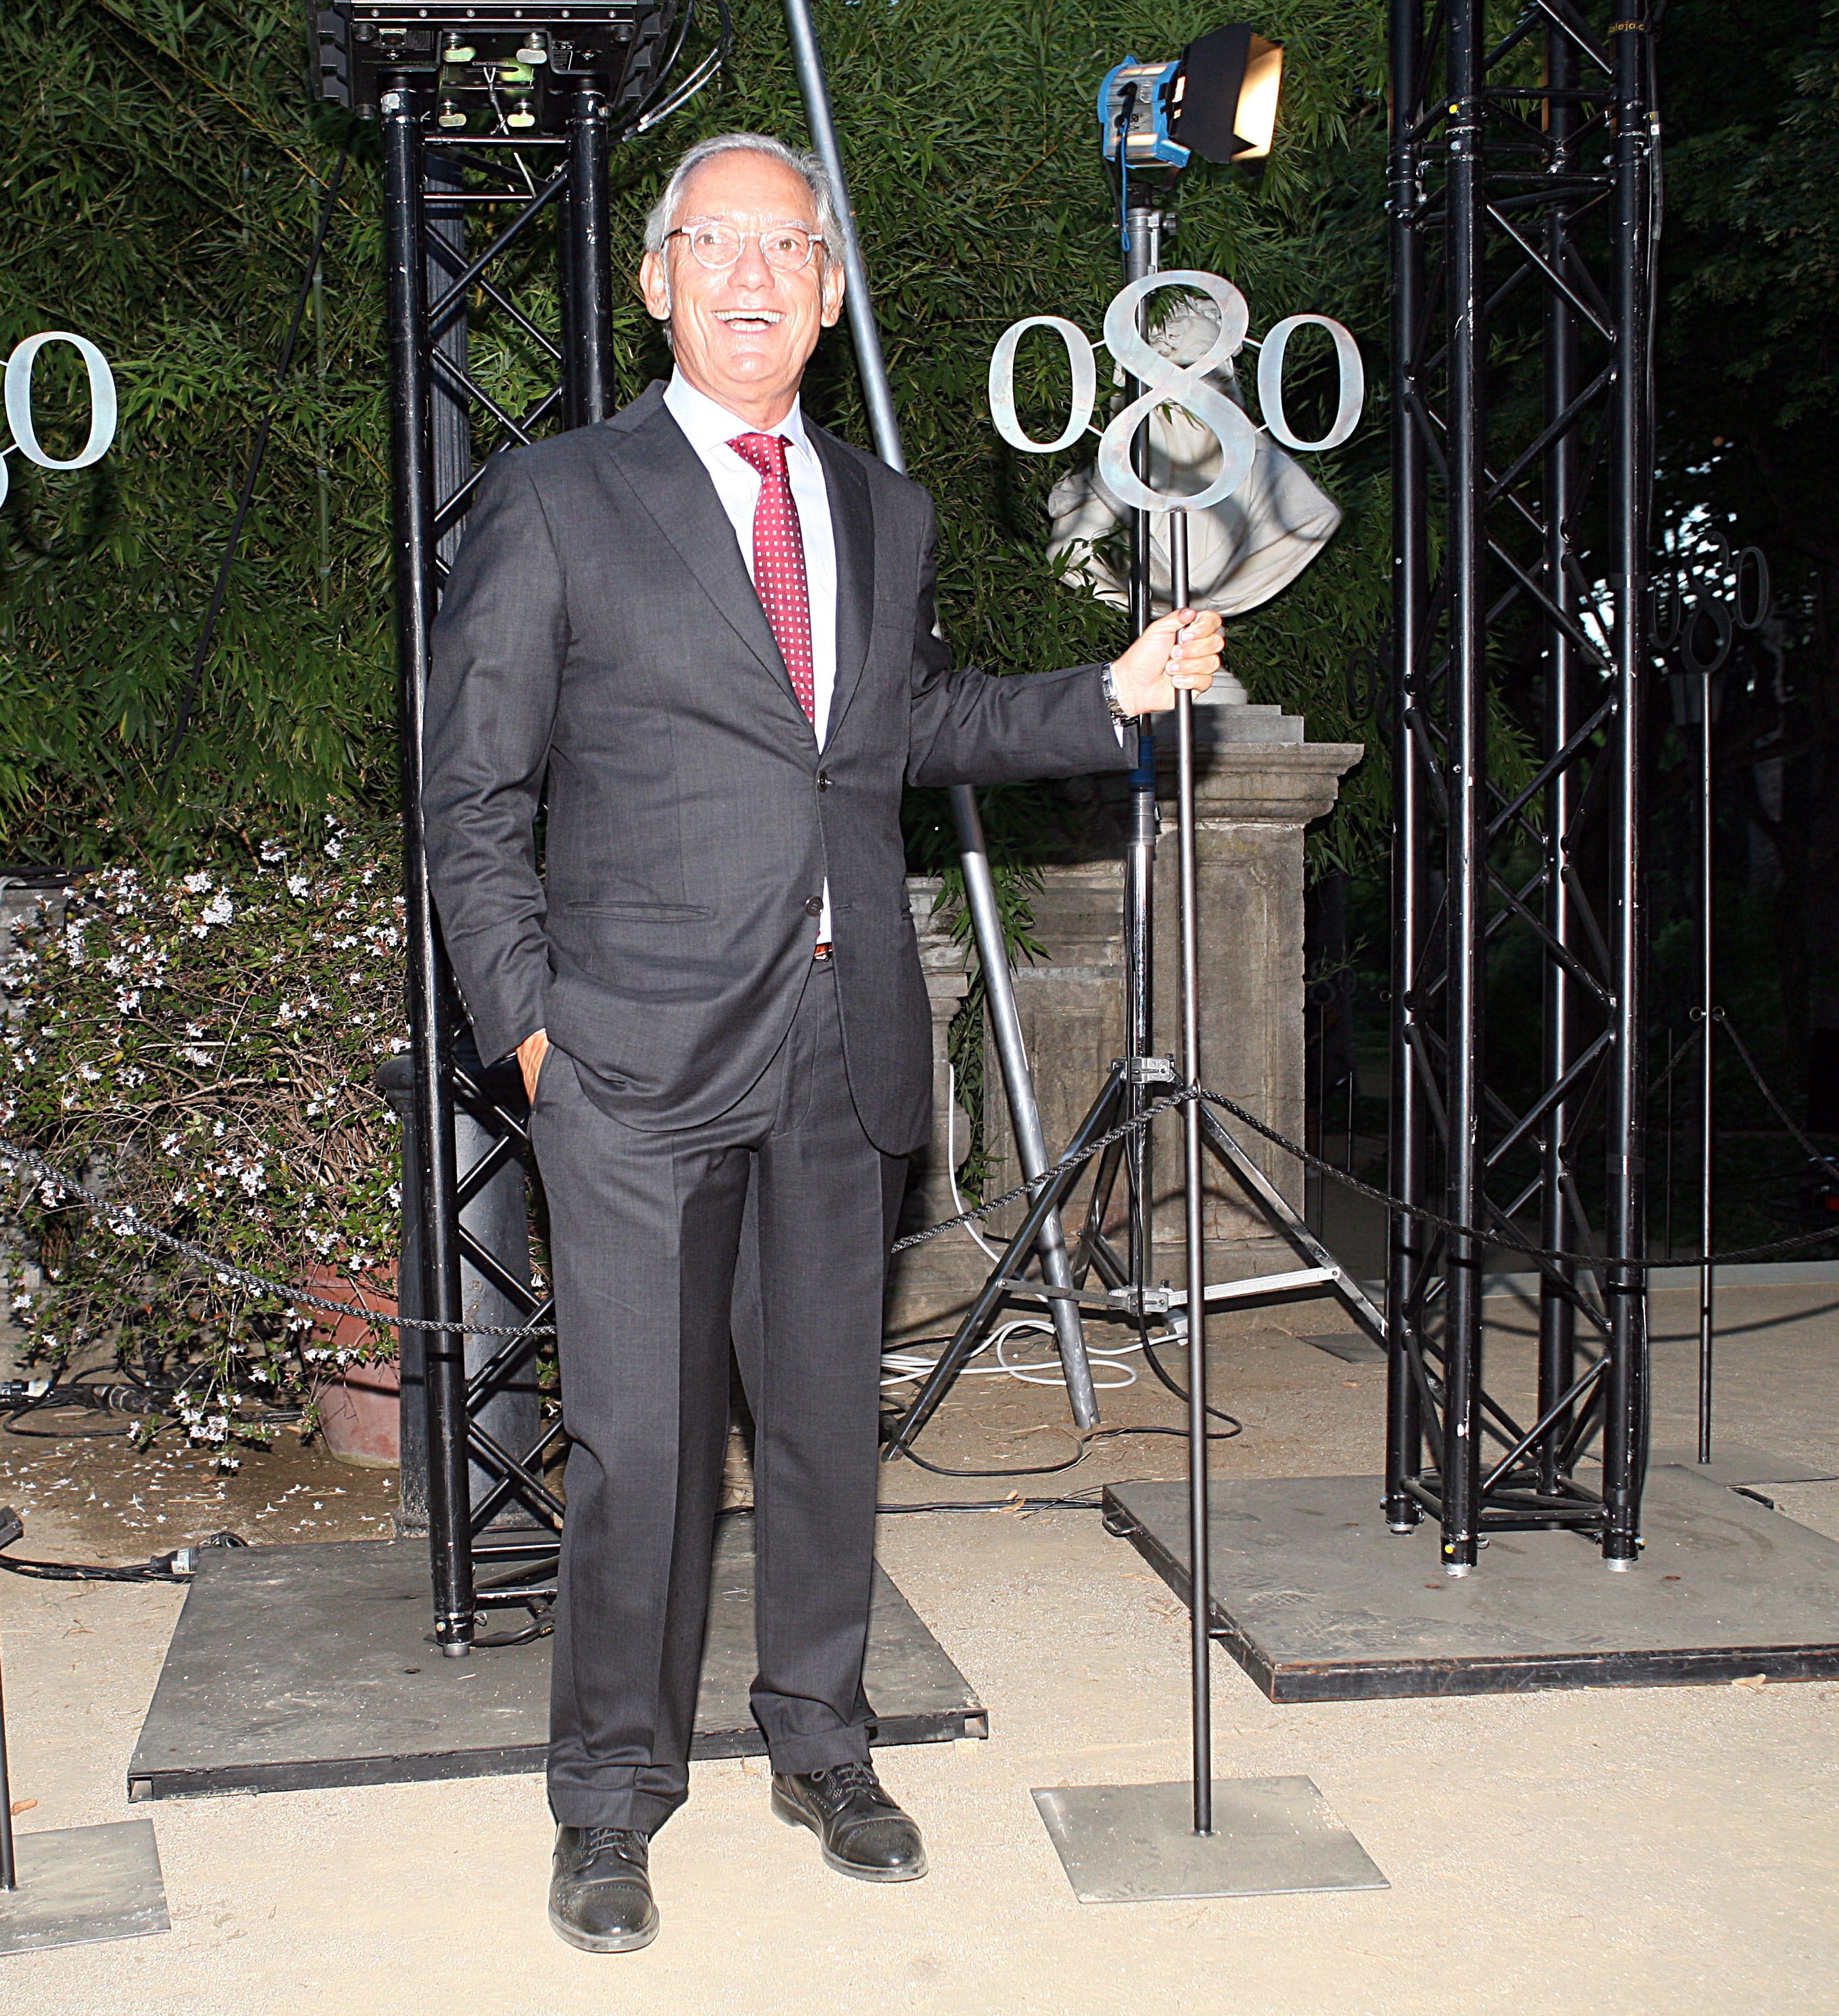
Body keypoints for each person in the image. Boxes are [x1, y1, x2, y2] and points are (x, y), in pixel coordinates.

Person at [421, 132, 1224, 1954]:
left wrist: (1106, 696)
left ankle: (823, 1744)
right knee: (636, 1445)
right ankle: (611, 1801)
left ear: (830, 291)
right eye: (718, 245)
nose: (755, 277)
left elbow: (899, 727)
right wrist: (526, 1034)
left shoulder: (883, 504)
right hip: (623, 1059)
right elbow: (471, 795)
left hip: (839, 1041)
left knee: (822, 1440)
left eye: (789, 247)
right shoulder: (555, 498)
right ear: (659, 280)